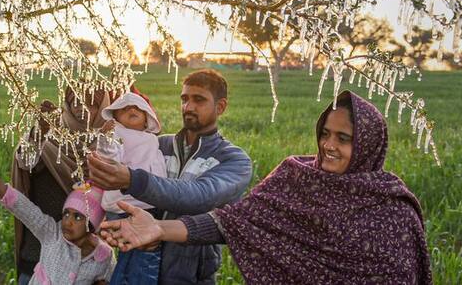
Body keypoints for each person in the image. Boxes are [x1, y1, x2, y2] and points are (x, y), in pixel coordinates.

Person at [100, 91, 433, 285]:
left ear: (367, 145)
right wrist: (159, 227)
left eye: (343, 138)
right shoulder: (296, 178)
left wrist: (135, 181)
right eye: (325, 133)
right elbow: (232, 221)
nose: (328, 145)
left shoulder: (390, 210)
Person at [88, 69, 253, 284]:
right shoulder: (156, 145)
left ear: (220, 107)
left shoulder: (234, 160)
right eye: (184, 99)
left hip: (190, 276)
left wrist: (132, 180)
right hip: (140, 259)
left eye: (199, 100)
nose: (188, 107)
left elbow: (199, 196)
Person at [11, 84, 152, 284]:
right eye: (75, 102)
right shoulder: (48, 139)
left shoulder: (111, 146)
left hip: (86, 266)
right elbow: (25, 162)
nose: (82, 109)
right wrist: (38, 134)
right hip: (40, 255)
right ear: (66, 106)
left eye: (92, 104)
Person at [0, 165, 115, 284]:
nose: (68, 221)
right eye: (66, 214)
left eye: (77, 217)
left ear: (92, 224)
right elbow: (26, 210)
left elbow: (109, 280)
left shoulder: (104, 257)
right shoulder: (52, 234)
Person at [98, 91, 166, 285]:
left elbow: (157, 165)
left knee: (132, 257)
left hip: (148, 204)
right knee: (143, 257)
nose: (131, 109)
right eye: (124, 109)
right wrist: (105, 139)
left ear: (147, 119)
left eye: (138, 108)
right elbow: (110, 157)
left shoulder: (151, 139)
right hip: (124, 205)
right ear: (116, 119)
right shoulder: (118, 135)